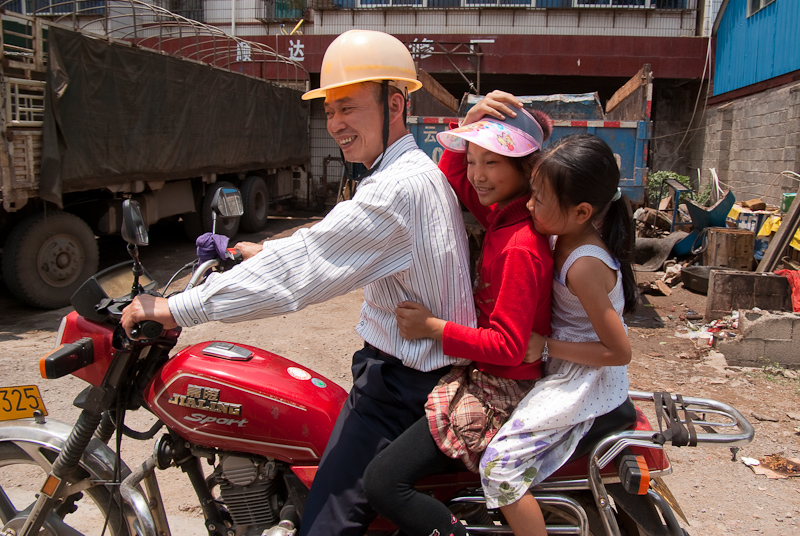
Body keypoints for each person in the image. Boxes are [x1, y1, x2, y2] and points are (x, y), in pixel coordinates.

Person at [121, 29, 477, 536]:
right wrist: (265, 248)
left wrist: (176, 308)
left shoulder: (398, 189)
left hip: (402, 388)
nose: (335, 124)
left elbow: (305, 270)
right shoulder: (405, 172)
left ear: (393, 103)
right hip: (398, 374)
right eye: (329, 111)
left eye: (348, 108)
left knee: (322, 528)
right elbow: (331, 236)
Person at [362, 96, 554, 536]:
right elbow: (449, 174)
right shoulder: (501, 217)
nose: (477, 175)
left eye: (492, 162)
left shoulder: (520, 245)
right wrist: (468, 123)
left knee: (383, 483)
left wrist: (434, 328)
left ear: (525, 169)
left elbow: (508, 346)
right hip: (483, 374)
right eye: (473, 160)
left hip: (499, 387)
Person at [480, 132, 637, 536]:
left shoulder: (584, 265)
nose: (529, 205)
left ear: (582, 212)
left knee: (500, 468)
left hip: (584, 379)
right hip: (565, 368)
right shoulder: (558, 233)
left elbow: (619, 352)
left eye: (539, 199)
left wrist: (545, 345)